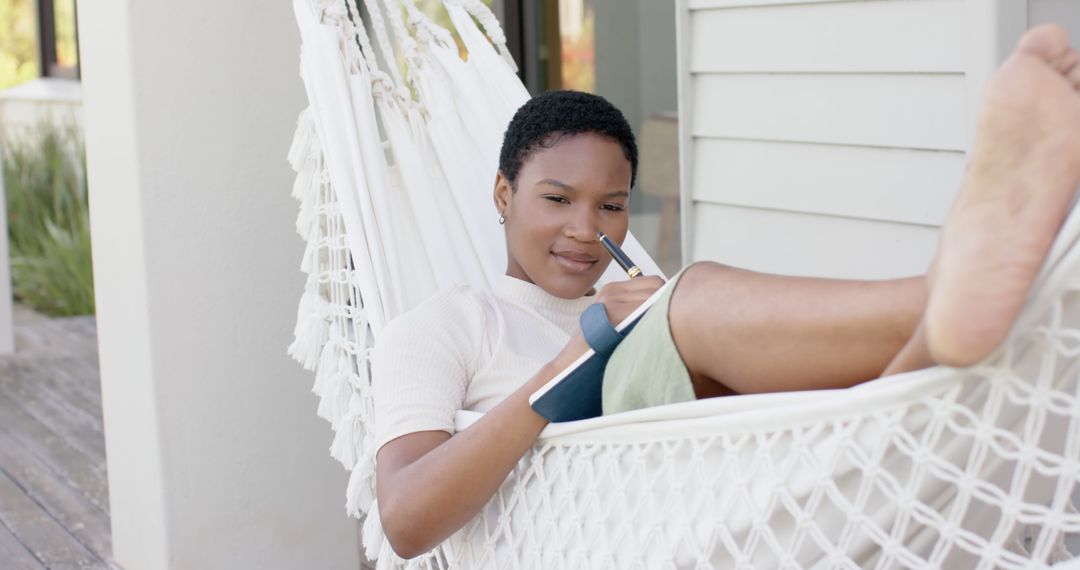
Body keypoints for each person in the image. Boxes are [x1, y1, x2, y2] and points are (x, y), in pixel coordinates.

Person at [371, 24, 1080, 559]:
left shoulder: (626, 295)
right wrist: (577, 357)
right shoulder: (448, 324)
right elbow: (404, 519)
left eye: (612, 205)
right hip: (613, 534)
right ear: (504, 193)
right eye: (557, 199)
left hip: (748, 509)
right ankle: (944, 292)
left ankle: (948, 323)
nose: (586, 230)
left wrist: (647, 321)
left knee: (861, 409)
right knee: (694, 295)